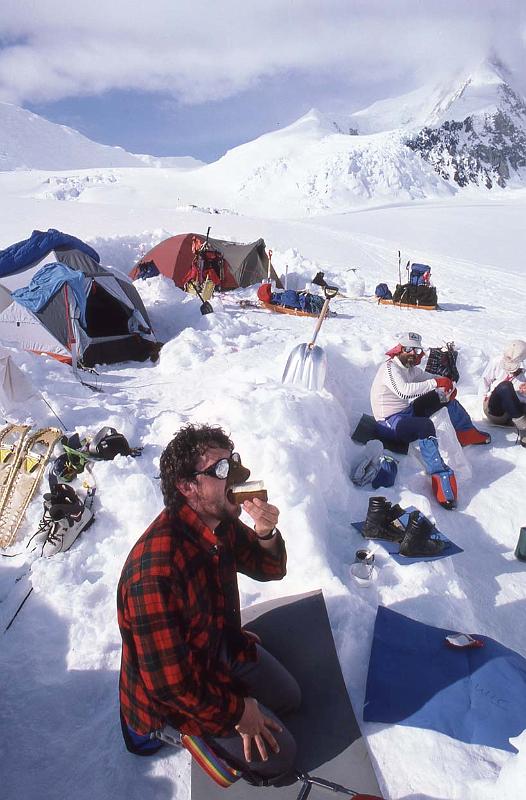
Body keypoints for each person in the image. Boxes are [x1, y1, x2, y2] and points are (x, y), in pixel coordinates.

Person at [117, 424, 300, 783]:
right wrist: (237, 712)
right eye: (220, 470)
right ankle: (178, 732)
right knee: (283, 760)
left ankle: (230, 697)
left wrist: (265, 533)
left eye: (232, 462)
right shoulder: (154, 574)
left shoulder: (219, 521)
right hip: (171, 696)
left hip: (214, 649)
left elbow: (270, 569)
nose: (235, 474)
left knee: (289, 698)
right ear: (187, 487)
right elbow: (172, 687)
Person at [370, 332, 490, 508]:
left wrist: (446, 383)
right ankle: (439, 474)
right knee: (425, 426)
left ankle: (466, 432)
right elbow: (404, 391)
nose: (412, 353)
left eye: (416, 350)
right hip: (389, 423)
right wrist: (435, 384)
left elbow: (428, 378)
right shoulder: (389, 369)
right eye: (408, 349)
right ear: (399, 349)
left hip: (405, 412)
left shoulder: (410, 368)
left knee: (444, 399)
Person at [481, 340, 526, 446]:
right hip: (497, 410)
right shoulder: (496, 361)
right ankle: (524, 430)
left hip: (519, 409)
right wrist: (484, 398)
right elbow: (484, 381)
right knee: (505, 386)